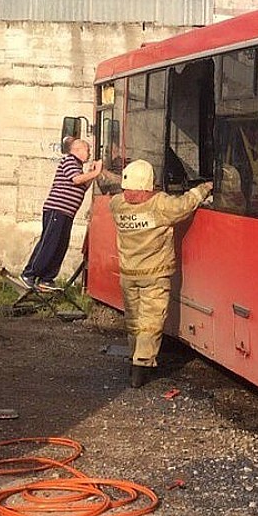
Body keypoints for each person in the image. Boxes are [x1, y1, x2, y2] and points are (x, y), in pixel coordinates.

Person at [110, 159, 212, 388]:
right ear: (149, 186)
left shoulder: (117, 205)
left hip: (128, 274)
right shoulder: (159, 205)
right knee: (151, 321)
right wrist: (204, 188)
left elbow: (117, 195)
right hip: (154, 275)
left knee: (134, 320)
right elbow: (185, 204)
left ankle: (133, 357)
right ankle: (141, 366)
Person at [21, 138, 102, 289]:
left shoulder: (78, 167)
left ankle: (47, 278)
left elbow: (83, 185)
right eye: (87, 150)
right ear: (77, 150)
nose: (89, 153)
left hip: (67, 213)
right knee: (50, 243)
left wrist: (92, 173)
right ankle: (30, 274)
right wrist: (96, 171)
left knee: (60, 245)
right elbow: (76, 180)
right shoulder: (70, 161)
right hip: (57, 210)